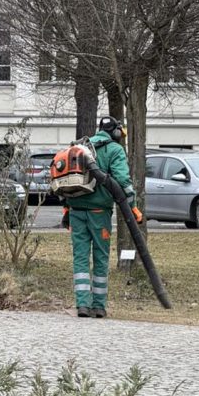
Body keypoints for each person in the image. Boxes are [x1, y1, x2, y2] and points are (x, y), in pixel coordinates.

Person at [67, 115, 135, 318]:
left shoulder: (80, 148)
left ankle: (82, 304)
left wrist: (66, 210)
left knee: (80, 258)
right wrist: (133, 206)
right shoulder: (115, 150)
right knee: (100, 257)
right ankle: (98, 306)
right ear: (116, 132)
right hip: (99, 212)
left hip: (76, 211)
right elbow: (123, 180)